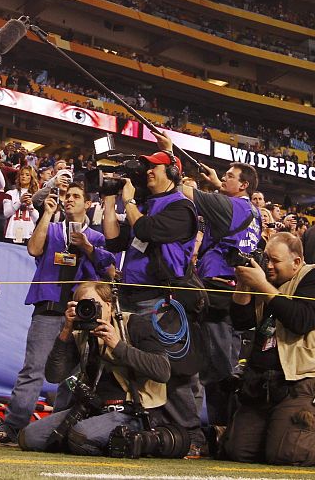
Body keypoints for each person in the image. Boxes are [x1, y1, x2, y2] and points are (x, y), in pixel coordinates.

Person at [0, 183, 115, 446]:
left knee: (73, 377)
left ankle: (59, 431)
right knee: (33, 369)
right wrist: (46, 214)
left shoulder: (97, 237)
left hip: (83, 315)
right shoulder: (53, 228)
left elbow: (110, 273)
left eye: (76, 197)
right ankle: (12, 428)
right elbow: (33, 249)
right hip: (48, 308)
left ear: (88, 204)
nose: (69, 200)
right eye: (67, 196)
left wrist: (89, 248)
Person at [100, 149, 205, 455]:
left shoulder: (182, 208)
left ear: (172, 173)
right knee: (135, 363)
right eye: (146, 167)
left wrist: (130, 202)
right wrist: (110, 201)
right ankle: (153, 427)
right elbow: (114, 240)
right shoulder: (147, 204)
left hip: (161, 299)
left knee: (173, 367)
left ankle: (192, 436)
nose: (148, 171)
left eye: (154, 167)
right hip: (132, 296)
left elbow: (148, 230)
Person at [157, 131, 261, 427]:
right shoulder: (251, 210)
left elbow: (187, 191)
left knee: (216, 370)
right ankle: (223, 429)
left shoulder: (231, 206)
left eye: (230, 176)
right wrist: (217, 184)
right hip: (231, 294)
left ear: (243, 185)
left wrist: (170, 155)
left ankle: (222, 428)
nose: (223, 179)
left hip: (216, 293)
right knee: (220, 366)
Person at [223, 232, 315, 466]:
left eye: (274, 261)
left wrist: (261, 284)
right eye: (265, 259)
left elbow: (300, 320)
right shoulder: (268, 283)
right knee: (239, 451)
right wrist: (243, 282)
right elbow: (241, 321)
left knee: (289, 453)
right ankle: (278, 433)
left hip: (309, 378)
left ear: (297, 261)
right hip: (266, 382)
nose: (268, 266)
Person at [18, 282, 171, 454]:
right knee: (29, 437)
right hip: (92, 409)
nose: (88, 310)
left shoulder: (132, 324)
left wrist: (117, 345)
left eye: (92, 304)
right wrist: (66, 330)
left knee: (80, 436)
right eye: (82, 305)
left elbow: (162, 371)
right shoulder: (80, 334)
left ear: (109, 304)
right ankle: (97, 441)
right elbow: (54, 376)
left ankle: (132, 441)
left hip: (132, 410)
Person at [3, 166, 40, 243]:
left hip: (28, 234)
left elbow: (36, 218)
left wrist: (30, 205)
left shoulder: (36, 195)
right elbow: (6, 214)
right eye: (22, 174)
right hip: (11, 233)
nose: (24, 176)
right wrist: (19, 202)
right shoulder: (10, 193)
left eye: (27, 175)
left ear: (32, 178)